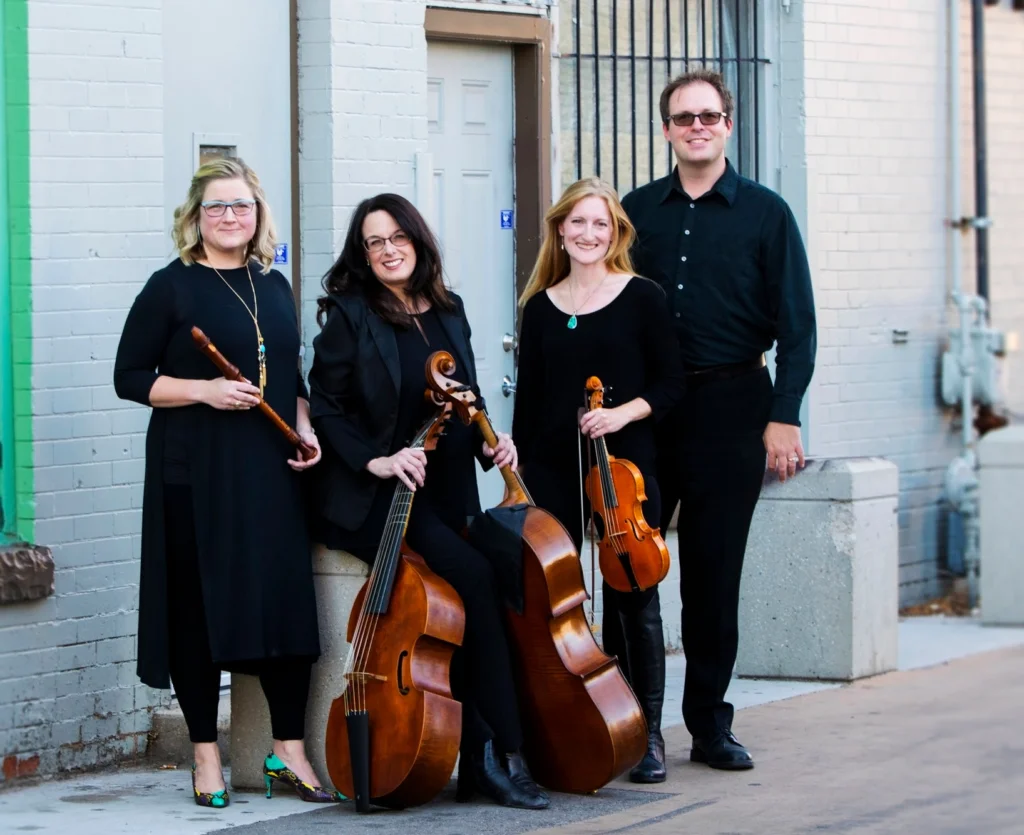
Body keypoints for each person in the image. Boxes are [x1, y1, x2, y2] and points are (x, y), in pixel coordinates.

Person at [307, 193, 549, 811]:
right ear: (363, 254)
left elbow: (463, 393)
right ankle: (494, 755)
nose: (388, 250)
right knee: (471, 578)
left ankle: (491, 750)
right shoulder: (350, 315)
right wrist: (377, 459)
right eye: (374, 242)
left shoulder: (448, 309)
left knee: (506, 567)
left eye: (398, 238)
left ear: (418, 241)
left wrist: (494, 444)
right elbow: (327, 407)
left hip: (445, 491)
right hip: (379, 498)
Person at [113, 158, 340, 807]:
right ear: (195, 216)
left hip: (268, 470)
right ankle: (206, 759)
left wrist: (304, 426)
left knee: (283, 605)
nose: (230, 216)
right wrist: (204, 389)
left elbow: (287, 373)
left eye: (241, 205)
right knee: (197, 613)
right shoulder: (171, 286)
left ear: (258, 213)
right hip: (194, 471)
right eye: (216, 206)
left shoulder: (272, 284)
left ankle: (288, 752)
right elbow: (131, 377)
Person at [620, 69, 817, 770]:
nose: (696, 126)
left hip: (734, 408)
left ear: (728, 125)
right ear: (667, 128)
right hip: (648, 412)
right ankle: (638, 729)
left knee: (711, 576)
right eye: (683, 117)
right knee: (632, 572)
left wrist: (783, 417)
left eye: (709, 116)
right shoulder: (635, 210)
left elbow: (798, 326)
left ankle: (707, 725)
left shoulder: (767, 213)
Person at [511, 177, 686, 783]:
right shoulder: (539, 307)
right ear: (561, 229)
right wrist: (520, 479)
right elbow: (528, 407)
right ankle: (571, 722)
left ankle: (648, 733)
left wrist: (622, 412)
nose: (589, 234)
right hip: (554, 468)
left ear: (616, 234)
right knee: (560, 604)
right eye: (578, 223)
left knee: (634, 604)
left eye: (601, 225)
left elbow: (671, 385)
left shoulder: (642, 297)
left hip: (624, 471)